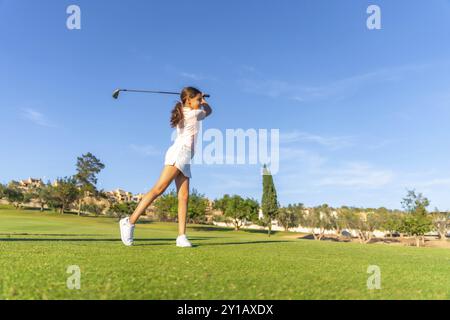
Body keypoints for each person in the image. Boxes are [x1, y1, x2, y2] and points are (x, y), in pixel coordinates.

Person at [119, 86, 212, 247]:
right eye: (197, 100)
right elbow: (209, 111)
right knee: (159, 189)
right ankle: (129, 221)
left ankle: (181, 236)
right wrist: (204, 101)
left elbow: (205, 110)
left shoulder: (187, 110)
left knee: (183, 197)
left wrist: (200, 99)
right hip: (179, 154)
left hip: (186, 157)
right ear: (188, 100)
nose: (200, 102)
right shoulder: (192, 113)